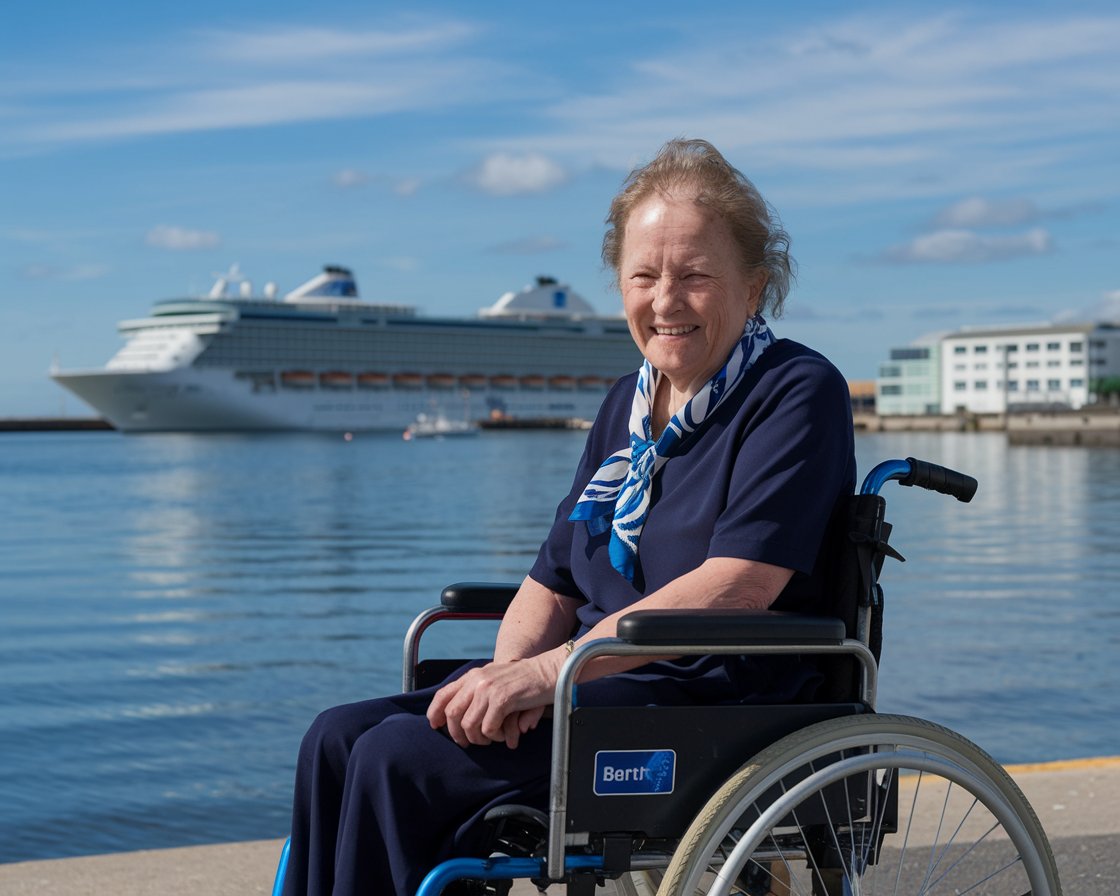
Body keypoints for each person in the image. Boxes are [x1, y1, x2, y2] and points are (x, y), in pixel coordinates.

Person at [281, 138, 856, 896]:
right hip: (595, 689)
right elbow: (551, 579)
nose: (665, 300)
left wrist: (551, 676)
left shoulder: (796, 392)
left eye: (694, 277)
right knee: (336, 736)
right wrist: (508, 673)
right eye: (643, 276)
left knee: (398, 760)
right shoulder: (627, 403)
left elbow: (741, 585)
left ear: (754, 288)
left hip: (707, 699)